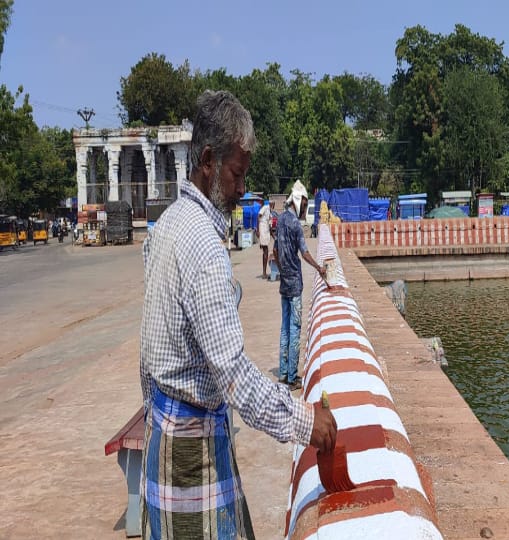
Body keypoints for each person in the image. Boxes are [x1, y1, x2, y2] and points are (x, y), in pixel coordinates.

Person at [139, 90, 336, 540]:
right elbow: (235, 377)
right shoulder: (204, 246)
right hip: (191, 453)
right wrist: (306, 421)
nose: (242, 189)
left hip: (162, 434)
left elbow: (148, 356)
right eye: (236, 174)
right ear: (208, 160)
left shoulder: (166, 225)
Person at [273, 180, 326, 391]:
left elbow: (276, 251)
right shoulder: (294, 223)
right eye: (304, 204)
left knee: (284, 328)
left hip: (284, 281)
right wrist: (319, 268)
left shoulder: (280, 221)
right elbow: (304, 253)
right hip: (294, 282)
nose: (305, 208)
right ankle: (293, 376)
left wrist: (281, 269)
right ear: (299, 201)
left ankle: (284, 373)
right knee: (294, 328)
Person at [256, 199, 274, 279]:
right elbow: (258, 216)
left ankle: (265, 272)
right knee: (265, 251)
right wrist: (257, 230)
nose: (273, 205)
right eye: (272, 204)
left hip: (267, 231)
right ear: (270, 204)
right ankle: (264, 272)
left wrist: (274, 236)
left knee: (266, 251)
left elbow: (270, 227)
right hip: (262, 229)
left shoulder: (270, 213)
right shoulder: (265, 208)